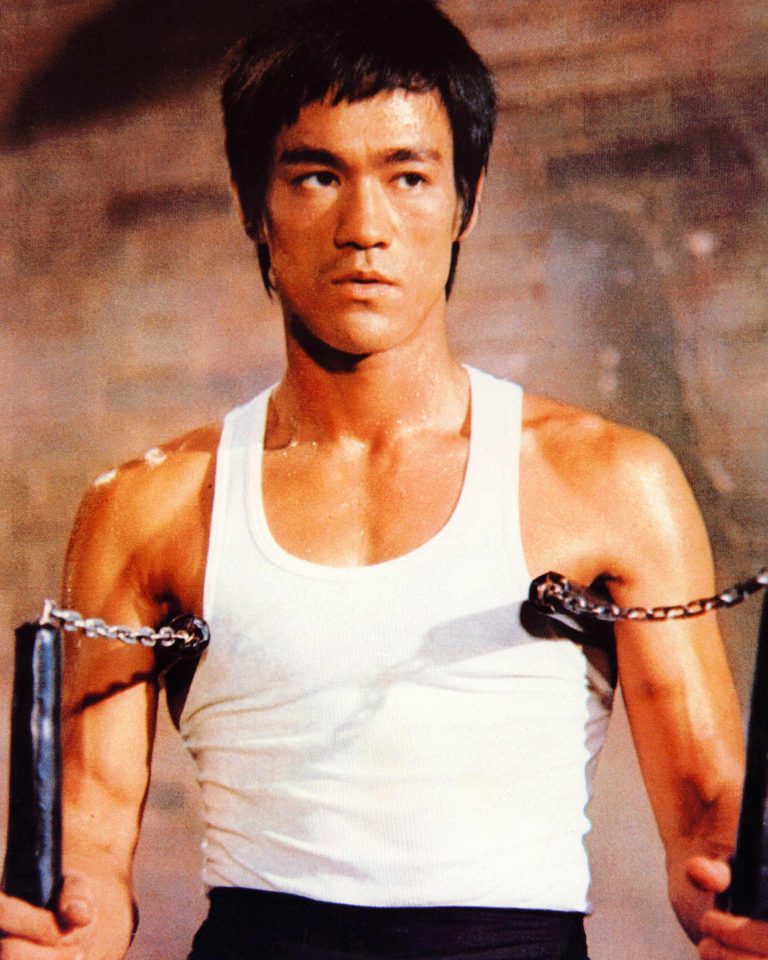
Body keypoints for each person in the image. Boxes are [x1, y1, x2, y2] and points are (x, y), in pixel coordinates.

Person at [1, 1, 766, 957]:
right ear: (252, 206)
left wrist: (743, 910)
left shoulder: (610, 482)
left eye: (409, 176)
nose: (365, 227)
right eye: (317, 176)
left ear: (464, 203)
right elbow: (88, 851)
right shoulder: (145, 509)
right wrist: (63, 933)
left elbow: (710, 829)